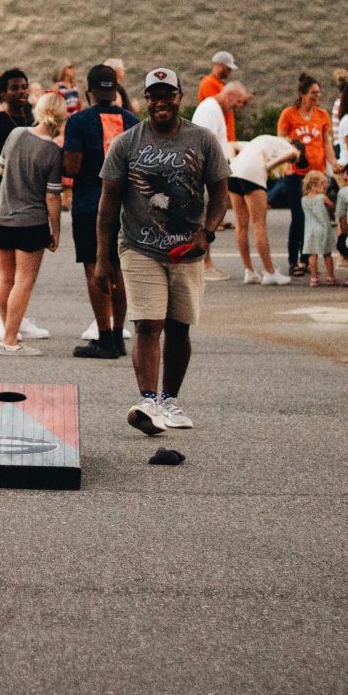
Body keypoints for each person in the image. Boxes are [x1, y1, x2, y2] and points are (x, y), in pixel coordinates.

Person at [96, 68, 230, 434]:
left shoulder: (202, 140)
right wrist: (103, 258)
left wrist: (207, 233)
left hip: (188, 249)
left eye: (167, 95)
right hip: (139, 247)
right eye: (153, 96)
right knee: (147, 324)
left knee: (179, 327)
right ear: (146, 99)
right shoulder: (127, 143)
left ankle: (170, 399)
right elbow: (108, 205)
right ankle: (148, 400)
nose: (160, 103)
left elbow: (221, 194)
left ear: (180, 97)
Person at [63, 63, 138, 359]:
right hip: (125, 206)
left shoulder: (79, 121)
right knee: (119, 270)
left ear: (89, 91)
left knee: (95, 269)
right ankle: (119, 335)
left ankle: (104, 335)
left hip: (89, 205)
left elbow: (72, 166)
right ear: (115, 89)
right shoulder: (133, 122)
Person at [0, 93, 65, 356]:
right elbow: (52, 195)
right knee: (24, 280)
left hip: (2, 215)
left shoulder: (16, 134)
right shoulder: (53, 151)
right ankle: (10, 339)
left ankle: (6, 327)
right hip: (30, 221)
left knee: (5, 276)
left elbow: (1, 169)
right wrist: (56, 230)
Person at [0, 69, 48, 341]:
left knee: (24, 268)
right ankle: (1, 317)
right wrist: (17, 166)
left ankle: (17, 317)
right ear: (3, 93)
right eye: (15, 88)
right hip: (5, 200)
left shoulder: (33, 118)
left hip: (32, 200)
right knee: (5, 266)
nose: (21, 92)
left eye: (24, 87)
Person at [277, 72, 339, 276]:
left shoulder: (322, 115)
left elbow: (326, 142)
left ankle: (307, 259)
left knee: (315, 216)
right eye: (313, 93)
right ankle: (294, 260)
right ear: (303, 94)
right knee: (299, 216)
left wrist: (334, 163)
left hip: (317, 174)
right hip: (296, 172)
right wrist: (286, 160)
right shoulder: (289, 114)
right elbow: (281, 140)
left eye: (319, 93)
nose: (317, 96)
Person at [191, 80, 252, 280]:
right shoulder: (211, 109)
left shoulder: (214, 108)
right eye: (238, 102)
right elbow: (206, 142)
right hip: (205, 173)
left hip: (208, 171)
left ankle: (206, 264)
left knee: (206, 219)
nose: (237, 107)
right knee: (205, 220)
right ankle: (205, 265)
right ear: (230, 95)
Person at [228, 135, 299, 285]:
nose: (289, 165)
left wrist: (234, 162)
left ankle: (249, 271)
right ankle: (270, 272)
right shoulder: (285, 145)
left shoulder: (260, 141)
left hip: (233, 171)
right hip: (253, 173)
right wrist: (268, 166)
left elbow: (232, 145)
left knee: (241, 225)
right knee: (258, 223)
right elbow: (292, 153)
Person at [301, 170, 336, 285]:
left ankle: (314, 278)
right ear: (314, 186)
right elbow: (332, 206)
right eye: (322, 186)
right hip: (323, 228)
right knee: (327, 254)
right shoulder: (322, 198)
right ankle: (330, 277)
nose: (324, 189)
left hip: (310, 230)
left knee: (312, 254)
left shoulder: (304, 200)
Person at [198, 50, 239, 142]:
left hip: (224, 137)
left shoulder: (220, 84)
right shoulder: (208, 82)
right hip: (217, 137)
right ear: (220, 66)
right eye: (228, 69)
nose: (229, 72)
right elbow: (216, 107)